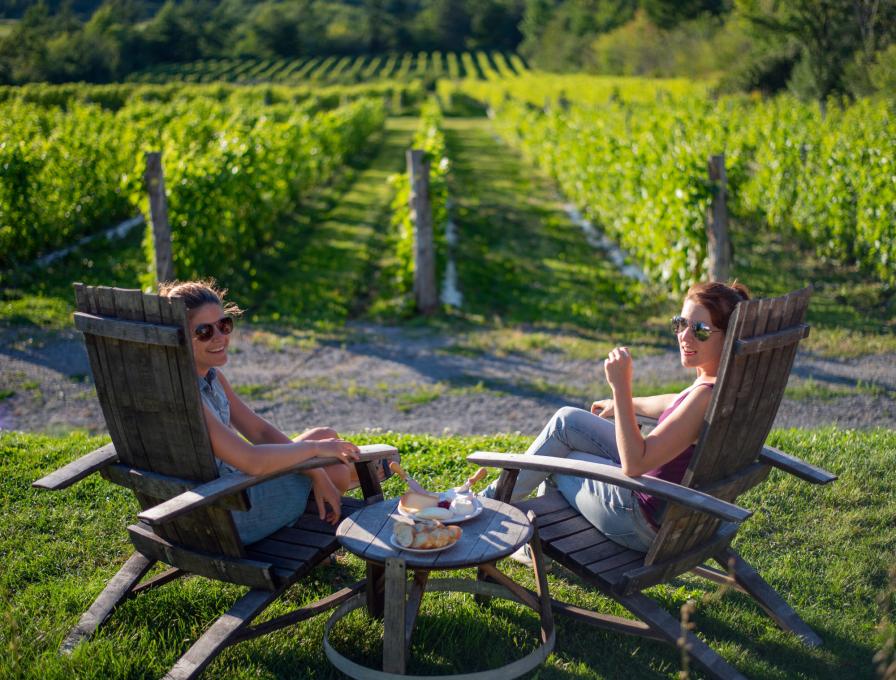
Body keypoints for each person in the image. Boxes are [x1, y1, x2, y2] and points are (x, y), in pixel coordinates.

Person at [482, 281, 751, 554]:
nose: (684, 336)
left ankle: (485, 512)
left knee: (557, 459)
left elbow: (635, 463)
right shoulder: (720, 384)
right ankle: (491, 505)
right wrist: (622, 404)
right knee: (567, 422)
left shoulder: (703, 398)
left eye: (700, 330)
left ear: (728, 336)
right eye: (681, 323)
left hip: (640, 518)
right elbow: (673, 402)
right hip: (671, 508)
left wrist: (621, 388)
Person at [160, 279, 368, 544]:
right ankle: (320, 508)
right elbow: (252, 461)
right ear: (179, 337)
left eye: (224, 325)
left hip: (225, 494)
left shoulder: (211, 378)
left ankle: (324, 493)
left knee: (325, 439)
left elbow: (259, 431)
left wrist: (314, 469)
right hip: (225, 512)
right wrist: (315, 454)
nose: (220, 337)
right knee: (335, 468)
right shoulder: (188, 395)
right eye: (204, 331)